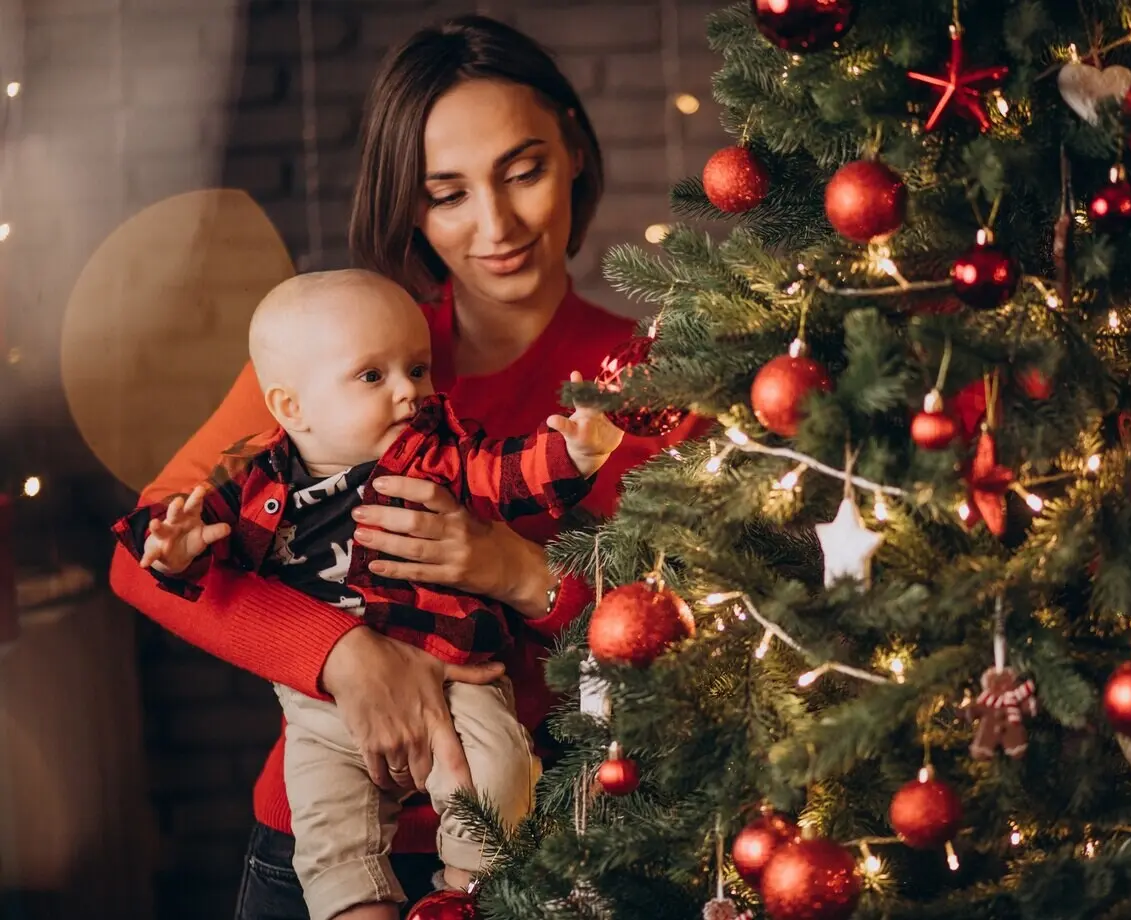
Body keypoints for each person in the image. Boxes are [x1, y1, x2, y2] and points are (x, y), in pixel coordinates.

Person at [108, 14, 700, 919]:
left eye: (523, 171)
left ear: (574, 150)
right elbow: (140, 562)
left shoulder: (650, 388)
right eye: (447, 192)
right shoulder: (337, 352)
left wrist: (521, 574)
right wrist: (342, 656)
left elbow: (705, 648)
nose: (494, 225)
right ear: (409, 204)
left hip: (561, 856)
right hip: (319, 850)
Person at [112, 269, 625, 920]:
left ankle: (468, 888)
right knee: (328, 821)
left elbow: (506, 471)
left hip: (458, 668)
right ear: (292, 407)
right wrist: (178, 551)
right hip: (321, 710)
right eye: (374, 378)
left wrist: (572, 455)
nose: (410, 391)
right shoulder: (257, 480)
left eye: (417, 369)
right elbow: (175, 554)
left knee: (497, 771)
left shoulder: (432, 452)